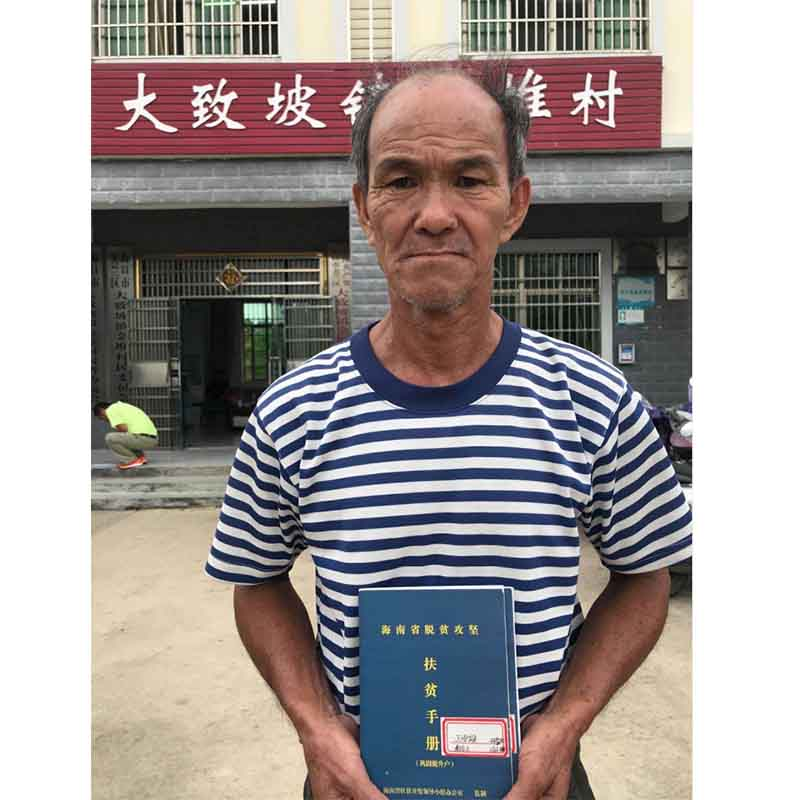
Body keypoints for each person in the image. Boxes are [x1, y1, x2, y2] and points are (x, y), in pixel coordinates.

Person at [205, 64, 691, 800]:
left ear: (515, 204)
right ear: (365, 208)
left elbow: (644, 575)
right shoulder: (293, 412)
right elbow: (257, 580)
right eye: (401, 181)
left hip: (537, 779)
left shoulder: (593, 401)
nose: (434, 214)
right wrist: (316, 726)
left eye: (470, 179)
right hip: (355, 781)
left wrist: (565, 725)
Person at [93, 400, 158, 469]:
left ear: (102, 411)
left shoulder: (111, 410)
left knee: (110, 438)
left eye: (101, 417)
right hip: (151, 438)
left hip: (143, 438)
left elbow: (123, 429)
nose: (104, 420)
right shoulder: (121, 407)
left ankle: (131, 460)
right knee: (124, 437)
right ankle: (140, 457)